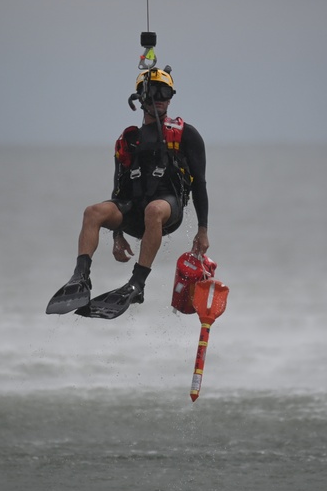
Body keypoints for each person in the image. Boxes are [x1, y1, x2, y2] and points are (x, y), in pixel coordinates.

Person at [46, 67, 209, 319]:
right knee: (93, 212)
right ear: (141, 98)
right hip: (134, 210)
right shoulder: (129, 140)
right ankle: (80, 278)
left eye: (166, 93)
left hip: (167, 209)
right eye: (154, 92)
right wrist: (117, 235)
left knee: (153, 210)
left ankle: (137, 284)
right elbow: (118, 190)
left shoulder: (186, 134)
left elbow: (199, 184)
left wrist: (202, 230)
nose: (160, 98)